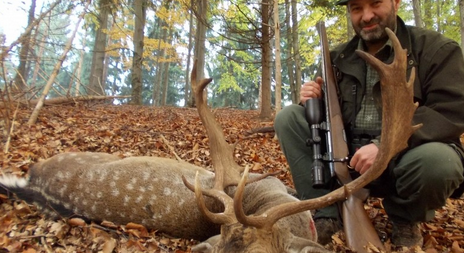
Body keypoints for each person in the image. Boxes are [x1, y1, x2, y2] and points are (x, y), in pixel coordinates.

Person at [274, 0, 464, 247]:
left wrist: (386, 145)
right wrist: (311, 101)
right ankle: (327, 214)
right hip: (349, 162)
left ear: (396, 2)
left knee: (440, 161)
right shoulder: (336, 58)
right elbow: (327, 121)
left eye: (375, 3)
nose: (366, 16)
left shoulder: (436, 50)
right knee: (287, 118)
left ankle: (406, 221)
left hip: (405, 161)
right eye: (356, 8)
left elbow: (452, 109)